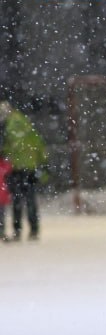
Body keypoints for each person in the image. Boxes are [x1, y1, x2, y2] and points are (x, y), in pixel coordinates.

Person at [0, 101, 48, 241]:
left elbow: (11, 146)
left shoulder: (10, 125)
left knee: (17, 200)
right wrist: (42, 163)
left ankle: (17, 230)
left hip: (15, 167)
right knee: (30, 200)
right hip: (30, 167)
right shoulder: (24, 122)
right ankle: (34, 229)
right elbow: (38, 143)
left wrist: (5, 155)